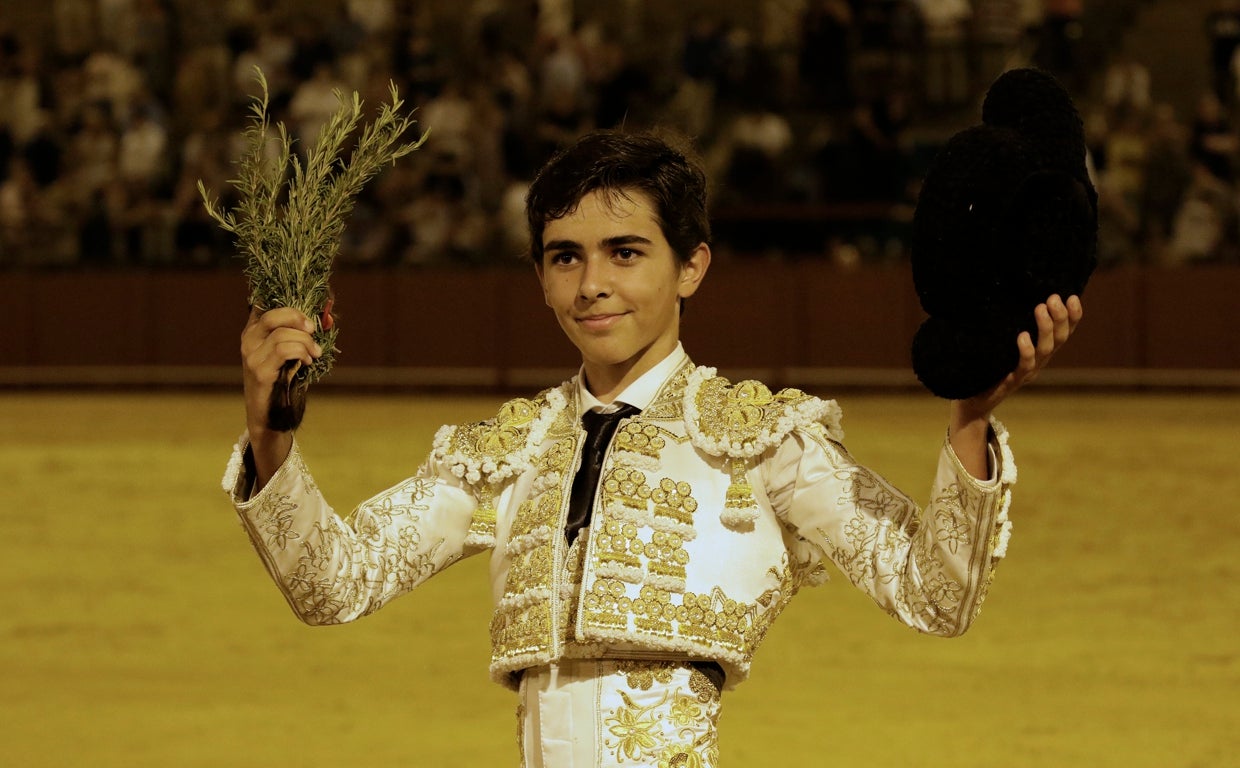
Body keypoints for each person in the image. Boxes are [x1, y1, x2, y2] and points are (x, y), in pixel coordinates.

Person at [223, 130, 1082, 767]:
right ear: (540, 278)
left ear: (692, 266)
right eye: (565, 258)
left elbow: (935, 594)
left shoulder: (764, 439)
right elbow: (333, 584)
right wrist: (271, 434)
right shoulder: (504, 451)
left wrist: (970, 417)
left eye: (625, 252)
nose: (592, 284)